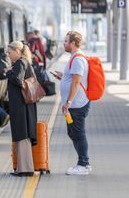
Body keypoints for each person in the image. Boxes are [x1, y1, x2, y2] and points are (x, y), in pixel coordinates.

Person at [52, 31, 91, 175]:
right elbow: (72, 78)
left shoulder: (78, 59)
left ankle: (83, 164)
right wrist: (63, 77)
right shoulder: (74, 58)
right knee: (73, 132)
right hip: (74, 104)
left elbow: (76, 82)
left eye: (66, 41)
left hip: (77, 104)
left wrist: (68, 102)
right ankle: (83, 162)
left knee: (79, 133)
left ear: (73, 43)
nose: (64, 43)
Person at [6, 41, 37, 177]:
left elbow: (18, 80)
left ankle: (25, 169)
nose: (8, 55)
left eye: (10, 52)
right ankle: (23, 168)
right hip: (23, 105)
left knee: (22, 135)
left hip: (21, 106)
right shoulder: (23, 63)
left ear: (17, 51)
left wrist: (8, 73)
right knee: (21, 135)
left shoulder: (20, 63)